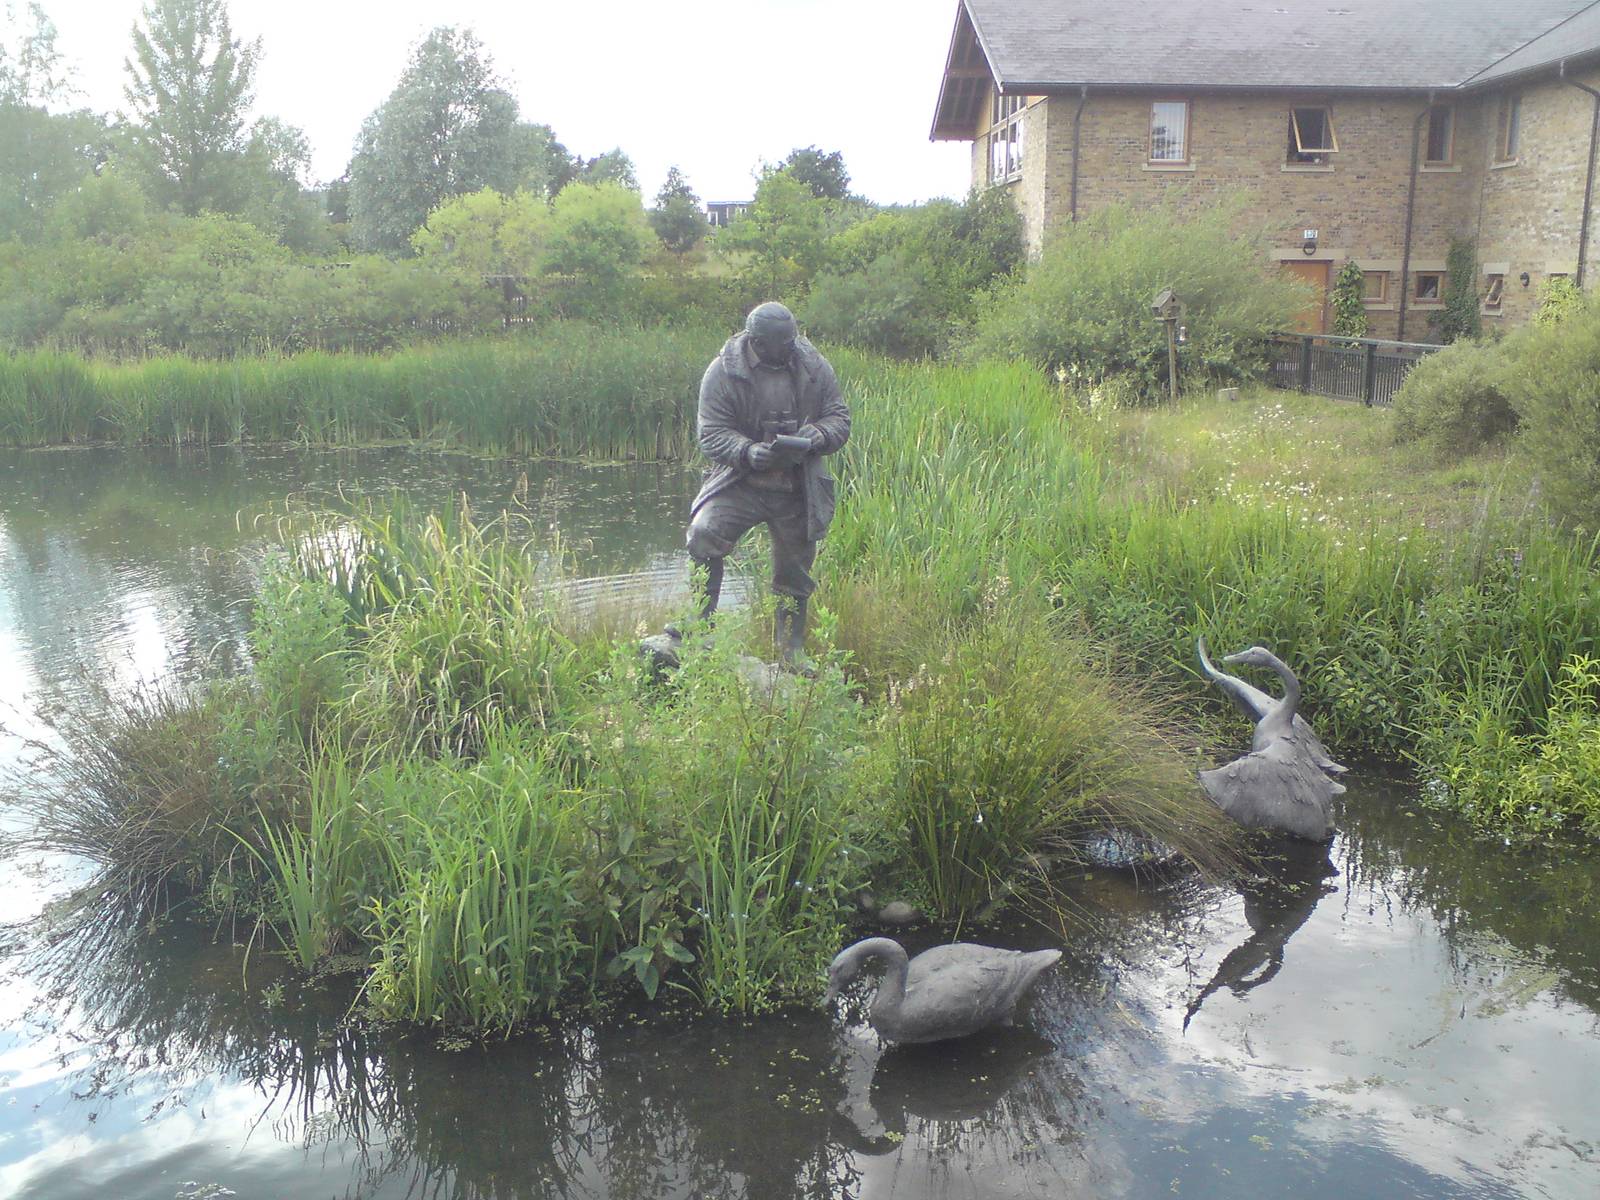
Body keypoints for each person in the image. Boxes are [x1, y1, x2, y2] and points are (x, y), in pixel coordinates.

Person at [685, 301, 850, 662]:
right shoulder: (723, 373)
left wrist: (817, 435)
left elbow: (840, 418)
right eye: (783, 343)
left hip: (797, 485)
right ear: (757, 342)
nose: (792, 347)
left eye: (793, 339)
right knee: (704, 532)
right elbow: (710, 433)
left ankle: (790, 649)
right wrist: (746, 451)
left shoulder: (814, 367)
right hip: (740, 482)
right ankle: (699, 627)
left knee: (794, 570)